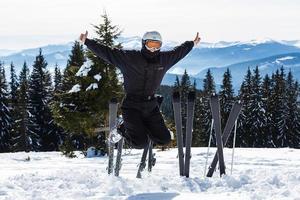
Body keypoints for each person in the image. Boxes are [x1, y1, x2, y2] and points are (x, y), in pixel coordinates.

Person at [79, 30, 201, 149]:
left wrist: (192, 43)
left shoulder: (164, 59)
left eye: (157, 45)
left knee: (165, 139)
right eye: (150, 45)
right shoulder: (130, 58)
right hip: (131, 106)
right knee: (140, 144)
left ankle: (147, 128)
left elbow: (178, 52)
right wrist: (87, 42)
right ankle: (122, 130)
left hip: (151, 106)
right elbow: (108, 53)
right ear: (144, 44)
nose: (153, 49)